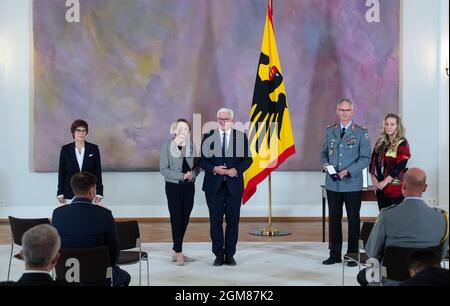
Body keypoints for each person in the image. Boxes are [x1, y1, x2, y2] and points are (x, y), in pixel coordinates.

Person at [357, 168, 449, 286]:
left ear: (403, 186)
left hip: (390, 281)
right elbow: (440, 256)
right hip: (428, 280)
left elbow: (372, 252)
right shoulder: (442, 218)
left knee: (363, 276)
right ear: (425, 188)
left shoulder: (387, 215)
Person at [52, 172, 130, 286]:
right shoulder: (104, 214)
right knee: (125, 278)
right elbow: (114, 251)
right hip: (99, 276)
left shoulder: (58, 214)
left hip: (67, 275)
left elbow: (55, 246)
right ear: (92, 191)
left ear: (73, 190)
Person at [320, 98, 371, 266]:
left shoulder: (361, 133)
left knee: (353, 220)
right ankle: (334, 254)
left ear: (352, 111)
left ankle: (352, 255)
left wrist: (348, 171)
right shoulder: (330, 131)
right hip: (333, 184)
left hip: (352, 184)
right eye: (341, 110)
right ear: (337, 111)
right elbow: (324, 154)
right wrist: (325, 164)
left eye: (347, 110)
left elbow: (365, 158)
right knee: (334, 219)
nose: (344, 113)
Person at [198, 108, 252, 266]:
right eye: (219, 118)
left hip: (233, 186)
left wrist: (237, 170)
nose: (222, 122)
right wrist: (214, 169)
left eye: (225, 119)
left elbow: (248, 160)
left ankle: (230, 254)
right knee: (215, 221)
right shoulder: (209, 136)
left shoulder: (240, 137)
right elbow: (201, 160)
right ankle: (218, 255)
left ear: (232, 121)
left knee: (233, 221)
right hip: (213, 186)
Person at [160, 118, 199, 266]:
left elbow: (197, 166)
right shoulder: (167, 146)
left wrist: (192, 174)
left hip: (189, 187)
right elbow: (163, 169)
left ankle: (176, 250)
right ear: (175, 130)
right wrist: (182, 176)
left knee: (185, 218)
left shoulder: (191, 145)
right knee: (176, 218)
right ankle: (178, 252)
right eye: (181, 128)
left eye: (186, 129)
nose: (184, 131)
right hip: (173, 187)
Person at [370, 113, 411, 210]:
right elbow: (372, 161)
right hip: (380, 186)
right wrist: (373, 178)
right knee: (383, 216)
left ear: (398, 126)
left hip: (394, 188)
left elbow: (400, 165)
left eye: (392, 124)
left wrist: (385, 182)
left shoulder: (402, 143)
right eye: (387, 124)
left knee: (395, 218)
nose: (388, 127)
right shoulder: (380, 142)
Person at [57, 119, 103, 204]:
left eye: (84, 130)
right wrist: (60, 192)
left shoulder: (94, 149)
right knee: (71, 216)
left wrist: (99, 192)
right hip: (69, 191)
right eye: (78, 130)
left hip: (89, 192)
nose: (81, 133)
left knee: (88, 216)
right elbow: (61, 172)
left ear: (86, 132)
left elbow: (98, 171)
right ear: (73, 132)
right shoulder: (65, 149)